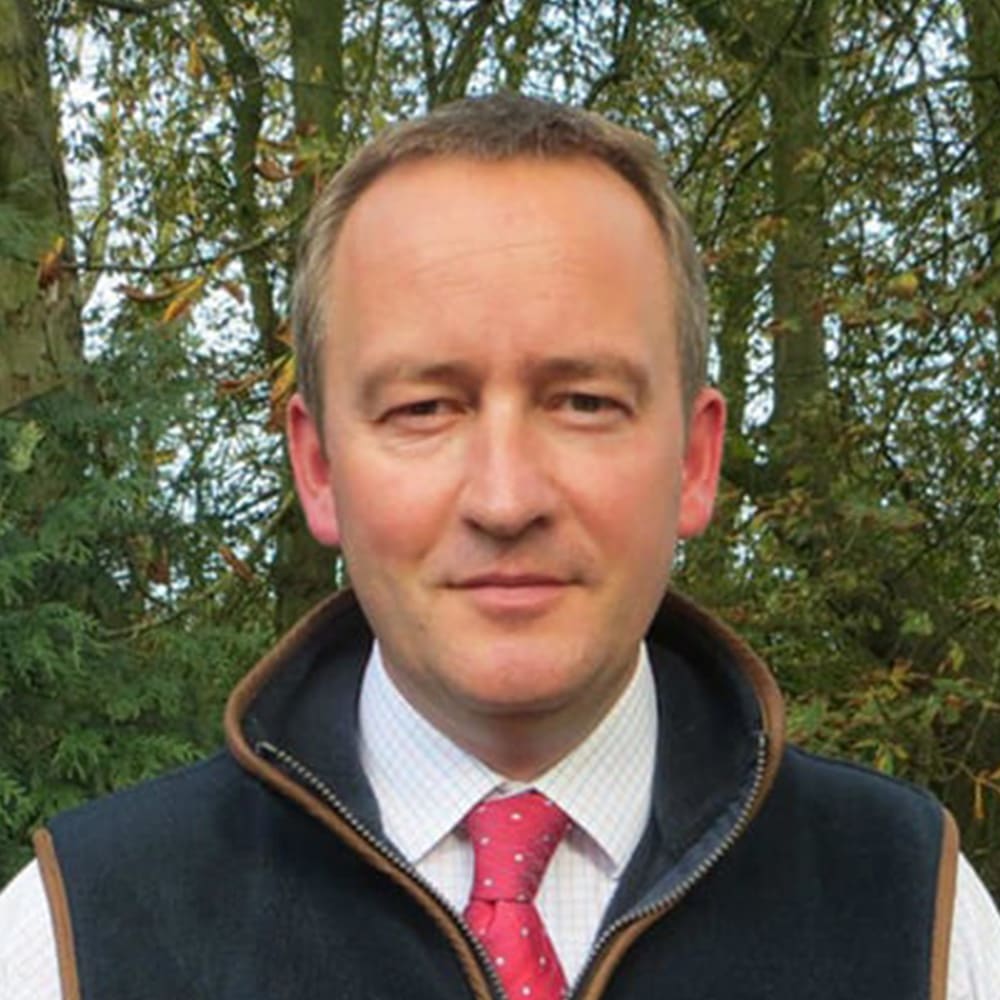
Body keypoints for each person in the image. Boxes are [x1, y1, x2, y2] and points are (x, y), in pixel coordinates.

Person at [1, 92, 997, 1000]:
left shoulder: (918, 916)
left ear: (695, 461)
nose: (506, 498)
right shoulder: (79, 938)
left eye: (585, 402)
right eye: (424, 408)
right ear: (319, 467)